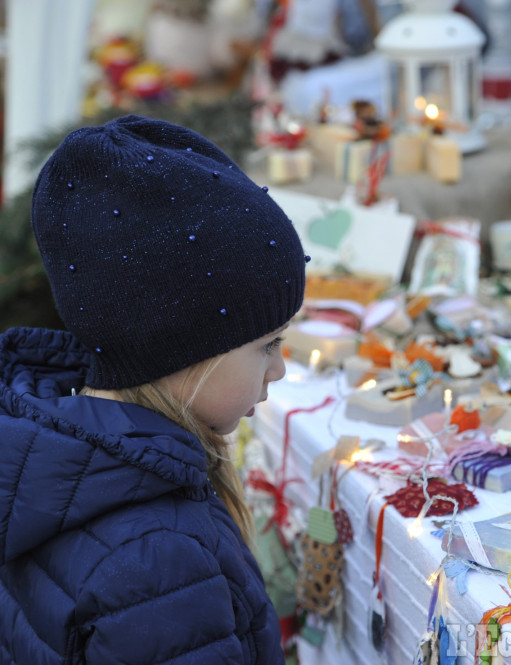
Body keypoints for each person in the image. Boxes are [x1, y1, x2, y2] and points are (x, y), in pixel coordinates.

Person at [0, 114, 308, 663]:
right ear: (181, 349)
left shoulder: (50, 455)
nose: (279, 369)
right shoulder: (160, 561)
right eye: (267, 344)